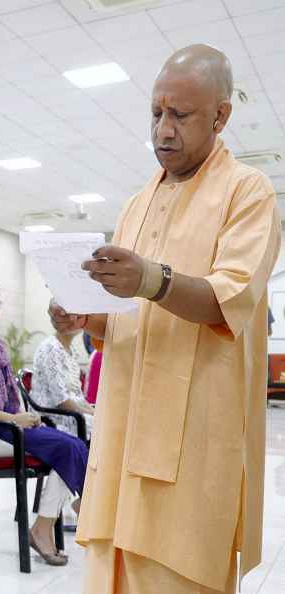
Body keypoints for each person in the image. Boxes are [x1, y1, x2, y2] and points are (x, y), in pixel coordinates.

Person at [62, 45, 281, 593]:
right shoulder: (136, 203)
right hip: (120, 441)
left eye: (179, 115)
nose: (163, 129)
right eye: (156, 113)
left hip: (192, 449)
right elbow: (124, 320)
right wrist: (83, 315)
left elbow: (227, 301)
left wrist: (151, 280)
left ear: (220, 115)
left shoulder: (247, 192)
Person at [0, 280, 88, 566]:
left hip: (7, 426)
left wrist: (25, 416)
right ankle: (54, 523)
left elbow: (7, 397)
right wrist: (15, 418)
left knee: (72, 445)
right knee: (67, 447)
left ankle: (56, 520)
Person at [30, 300, 95, 438]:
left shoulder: (72, 350)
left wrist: (93, 411)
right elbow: (62, 402)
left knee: (105, 419)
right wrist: (91, 413)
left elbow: (77, 396)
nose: (77, 320)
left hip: (72, 413)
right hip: (53, 417)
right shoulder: (51, 348)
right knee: (100, 425)